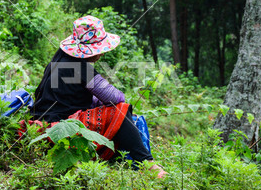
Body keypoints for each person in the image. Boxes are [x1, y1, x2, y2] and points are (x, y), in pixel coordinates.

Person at [30, 15, 167, 178]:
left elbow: (70, 96)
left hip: (44, 122)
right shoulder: (81, 68)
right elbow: (116, 98)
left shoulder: (56, 62)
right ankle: (147, 163)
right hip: (63, 125)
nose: (101, 54)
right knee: (120, 111)